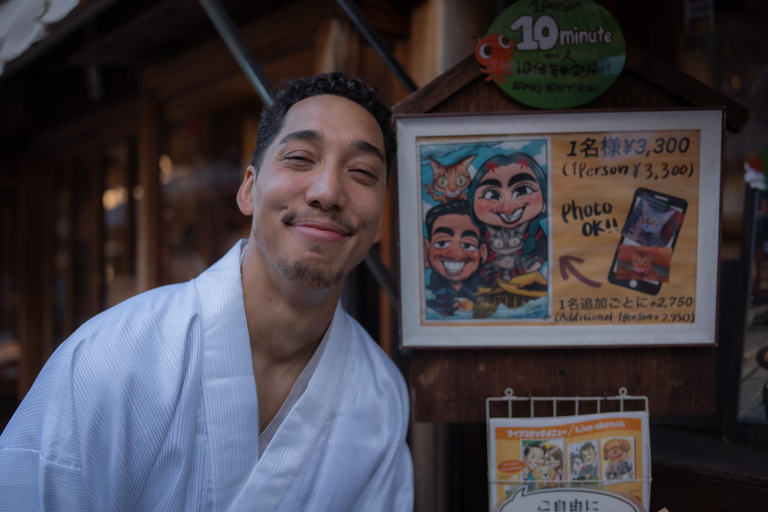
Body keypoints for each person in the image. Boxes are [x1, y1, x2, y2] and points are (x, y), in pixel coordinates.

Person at [0, 73, 413, 511]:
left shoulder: (379, 396)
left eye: (362, 172)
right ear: (249, 189)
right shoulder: (112, 359)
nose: (328, 192)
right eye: (300, 158)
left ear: (380, 222)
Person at [423, 200, 488, 317]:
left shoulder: (492, 297)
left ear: (483, 253)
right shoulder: (424, 297)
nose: (455, 254)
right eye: (442, 243)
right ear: (426, 250)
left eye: (467, 245)